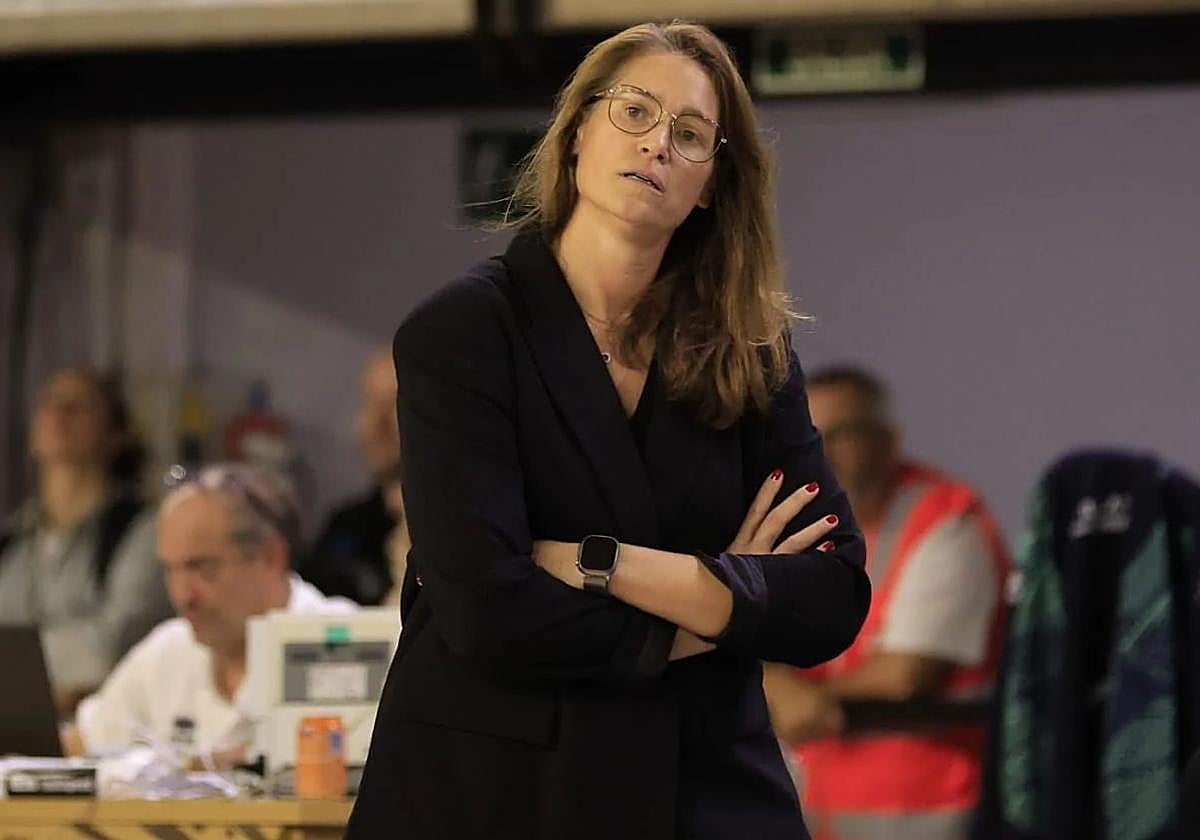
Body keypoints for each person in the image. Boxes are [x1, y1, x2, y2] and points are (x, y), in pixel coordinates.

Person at [346, 21, 870, 840]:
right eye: (635, 112)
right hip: (505, 790)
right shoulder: (462, 333)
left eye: (690, 134)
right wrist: (728, 599)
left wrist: (605, 565)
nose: (658, 143)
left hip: (702, 786)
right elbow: (487, 609)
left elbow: (832, 596)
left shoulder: (751, 350)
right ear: (577, 133)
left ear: (711, 183)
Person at [763, 367, 1010, 840]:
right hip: (821, 805)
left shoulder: (947, 520)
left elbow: (905, 675)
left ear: (887, 439)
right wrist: (774, 682)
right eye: (807, 437)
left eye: (841, 434)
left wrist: (796, 694)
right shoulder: (807, 525)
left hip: (925, 807)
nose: (822, 453)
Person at [61, 463, 355, 767]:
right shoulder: (168, 650)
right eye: (170, 570)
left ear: (270, 557)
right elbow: (81, 741)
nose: (181, 595)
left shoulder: (349, 646)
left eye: (201, 567)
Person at [0, 368, 171, 716]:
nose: (59, 416)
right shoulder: (11, 542)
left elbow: (115, 645)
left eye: (79, 406)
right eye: (49, 403)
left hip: (101, 738)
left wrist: (21, 671)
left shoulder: (140, 531)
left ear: (116, 434)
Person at [299, 348, 400, 604]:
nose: (377, 425)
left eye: (394, 405)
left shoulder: (461, 530)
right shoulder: (345, 529)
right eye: (370, 403)